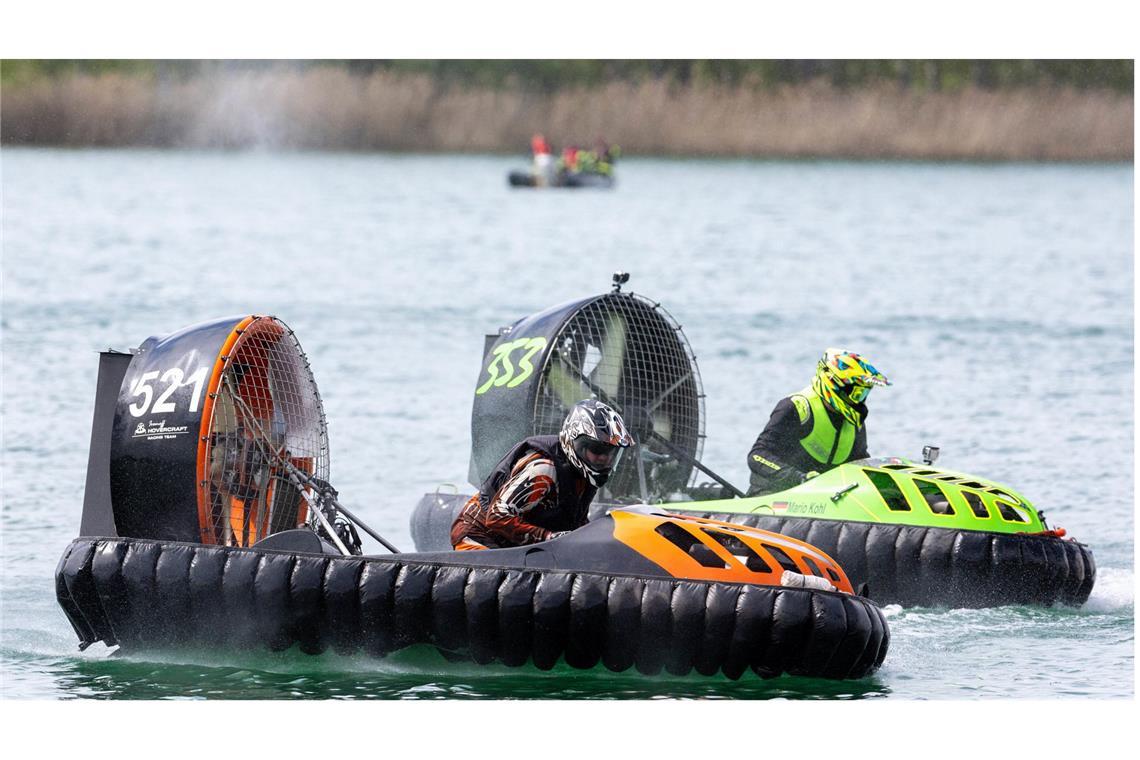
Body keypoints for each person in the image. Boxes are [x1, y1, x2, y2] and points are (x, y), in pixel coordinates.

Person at [451, 399, 633, 550]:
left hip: (514, 544)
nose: (603, 458)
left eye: (610, 453)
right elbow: (497, 517)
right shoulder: (544, 470)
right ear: (575, 442)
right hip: (478, 536)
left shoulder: (583, 478)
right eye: (597, 449)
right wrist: (550, 537)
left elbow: (574, 522)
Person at [746, 348, 890, 496]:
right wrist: (798, 478)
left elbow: (858, 464)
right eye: (856, 394)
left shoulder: (853, 423)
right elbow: (758, 456)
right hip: (771, 496)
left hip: (822, 503)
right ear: (834, 383)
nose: (859, 401)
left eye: (863, 394)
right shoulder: (797, 408)